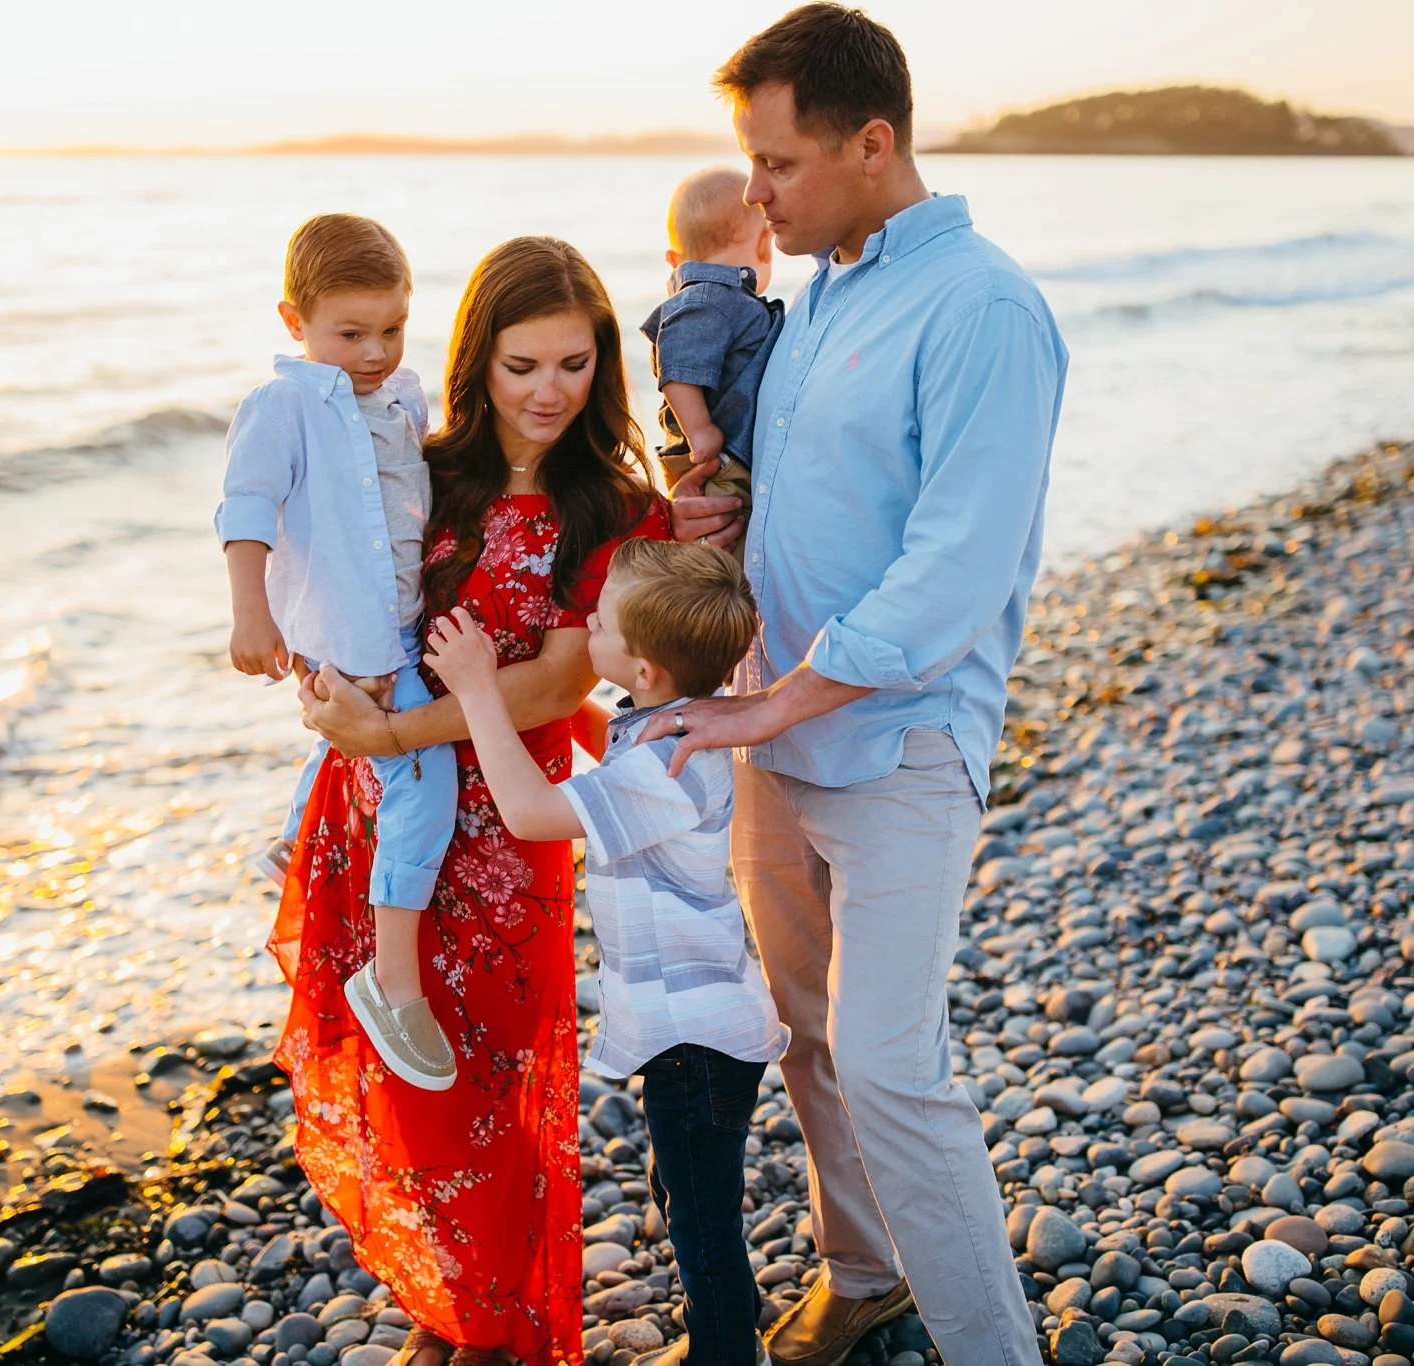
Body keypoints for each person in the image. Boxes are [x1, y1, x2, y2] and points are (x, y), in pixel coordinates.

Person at [665, 6, 1069, 1364]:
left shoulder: (987, 306)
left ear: (872, 140)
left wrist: (770, 705)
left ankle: (995, 1349)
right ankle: (862, 1271)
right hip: (780, 739)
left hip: (899, 745)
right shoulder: (831, 284)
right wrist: (727, 514)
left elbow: (951, 572)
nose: (754, 198)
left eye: (775, 164)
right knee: (805, 1037)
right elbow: (833, 492)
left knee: (896, 1065)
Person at [268, 235, 670, 1366]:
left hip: (506, 828)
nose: (550, 392)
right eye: (522, 366)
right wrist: (320, 684)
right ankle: (443, 1302)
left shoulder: (613, 512)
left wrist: (387, 727)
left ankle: (498, 1326)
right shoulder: (421, 469)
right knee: (403, 1069)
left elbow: (554, 679)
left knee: (487, 1072)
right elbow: (333, 575)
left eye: (575, 365)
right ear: (475, 365)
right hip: (380, 808)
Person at [422, 538, 789, 1366]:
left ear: (648, 668)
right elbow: (605, 738)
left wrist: (481, 690)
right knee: (685, 1188)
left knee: (700, 1216)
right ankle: (731, 1334)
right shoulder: (667, 723)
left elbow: (529, 812)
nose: (586, 624)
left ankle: (728, 1353)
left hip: (696, 1037)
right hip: (696, 1025)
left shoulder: (665, 765)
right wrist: (535, 696)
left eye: (603, 623)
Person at [216, 213, 459, 1091]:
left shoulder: (402, 397)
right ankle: (394, 980)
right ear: (295, 321)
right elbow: (244, 507)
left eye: (391, 328)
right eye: (350, 333)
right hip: (344, 630)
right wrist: (252, 613)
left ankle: (294, 840)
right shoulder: (281, 407)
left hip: (398, 619)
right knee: (427, 779)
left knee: (346, 744)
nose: (374, 350)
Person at [642, 166, 782, 528]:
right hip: (714, 463)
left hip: (720, 458)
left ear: (674, 260)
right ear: (765, 244)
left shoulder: (719, 302)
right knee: (725, 560)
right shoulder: (708, 298)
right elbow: (677, 365)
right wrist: (699, 429)